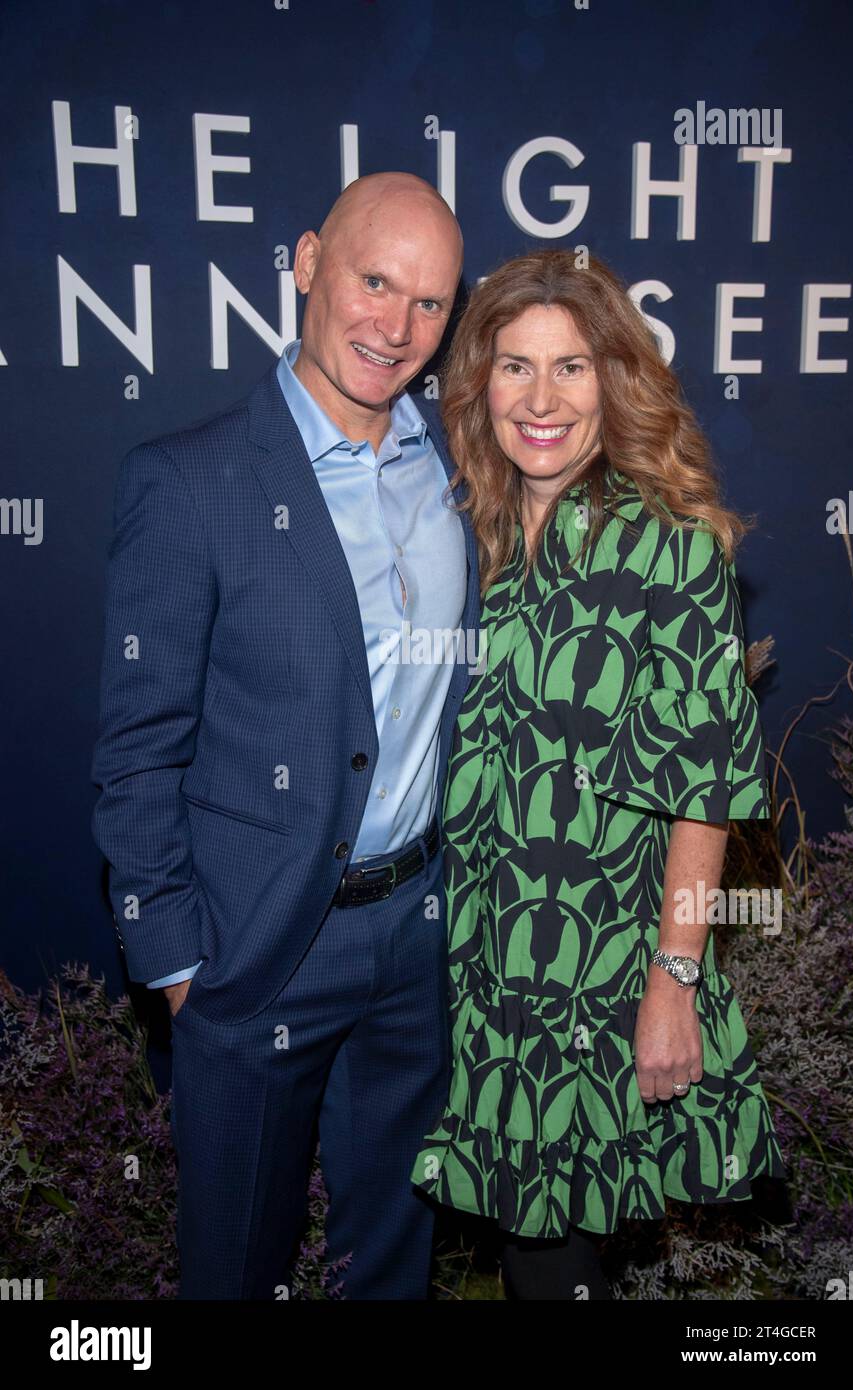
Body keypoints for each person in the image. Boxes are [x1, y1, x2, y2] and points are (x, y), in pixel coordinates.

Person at [91, 171, 480, 1299]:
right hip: (256, 954)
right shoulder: (189, 481)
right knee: (235, 1271)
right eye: (372, 281)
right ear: (306, 261)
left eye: (427, 304)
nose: (394, 327)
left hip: (416, 940)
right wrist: (176, 969)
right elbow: (136, 747)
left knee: (389, 1264)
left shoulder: (468, 469)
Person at [410, 248, 789, 1300]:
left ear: (613, 379)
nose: (540, 398)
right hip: (490, 968)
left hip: (604, 968)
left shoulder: (668, 547)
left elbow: (705, 788)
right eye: (515, 366)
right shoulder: (474, 535)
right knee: (537, 1249)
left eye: (570, 367)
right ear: (478, 381)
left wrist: (672, 980)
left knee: (556, 1259)